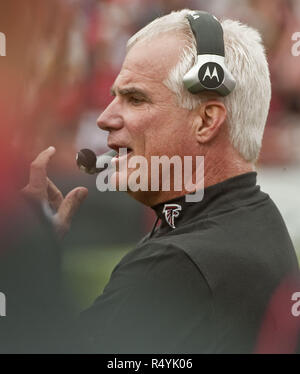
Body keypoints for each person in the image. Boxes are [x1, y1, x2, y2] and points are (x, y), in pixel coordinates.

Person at [23, 9, 299, 353]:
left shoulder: (174, 265)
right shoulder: (257, 216)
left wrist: (22, 259)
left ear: (206, 120)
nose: (106, 118)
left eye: (135, 98)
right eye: (113, 96)